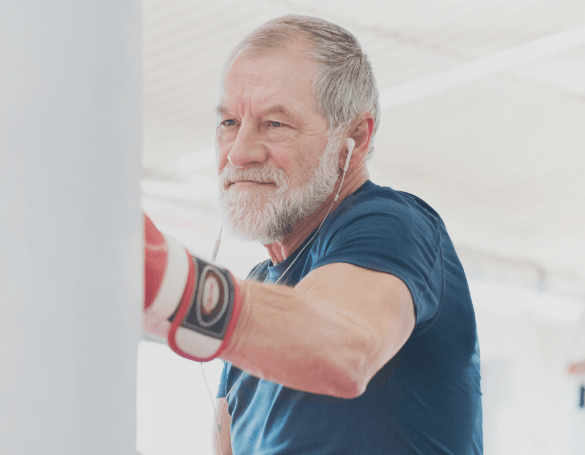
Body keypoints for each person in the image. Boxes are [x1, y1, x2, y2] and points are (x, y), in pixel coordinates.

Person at [141, 14, 481, 454]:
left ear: (355, 137)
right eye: (229, 123)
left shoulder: (392, 222)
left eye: (274, 124)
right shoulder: (262, 290)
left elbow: (345, 348)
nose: (239, 153)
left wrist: (174, 284)